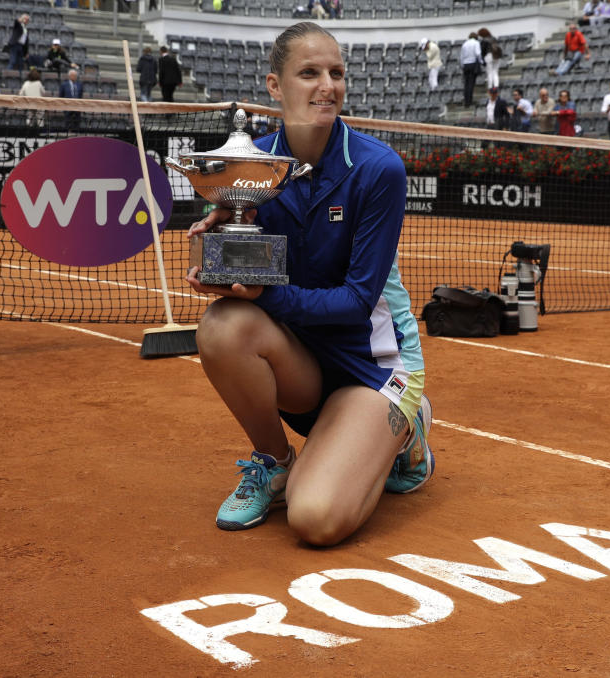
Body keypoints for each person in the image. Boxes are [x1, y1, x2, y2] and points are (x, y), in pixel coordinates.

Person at [182, 22, 433, 546]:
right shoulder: (250, 166)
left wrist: (265, 295)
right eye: (310, 73)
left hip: (370, 366)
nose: (328, 86)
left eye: (336, 73)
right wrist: (221, 239)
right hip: (302, 359)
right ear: (275, 86)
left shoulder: (377, 169)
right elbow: (243, 260)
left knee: (314, 519)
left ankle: (407, 433)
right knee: (223, 326)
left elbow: (358, 301)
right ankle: (275, 463)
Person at [460, 32, 483, 108]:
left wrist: (462, 65)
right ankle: (470, 101)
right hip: (473, 64)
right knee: (471, 83)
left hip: (466, 64)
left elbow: (461, 56)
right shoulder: (476, 43)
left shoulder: (465, 44)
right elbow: (478, 53)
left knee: (466, 84)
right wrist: (481, 61)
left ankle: (466, 101)